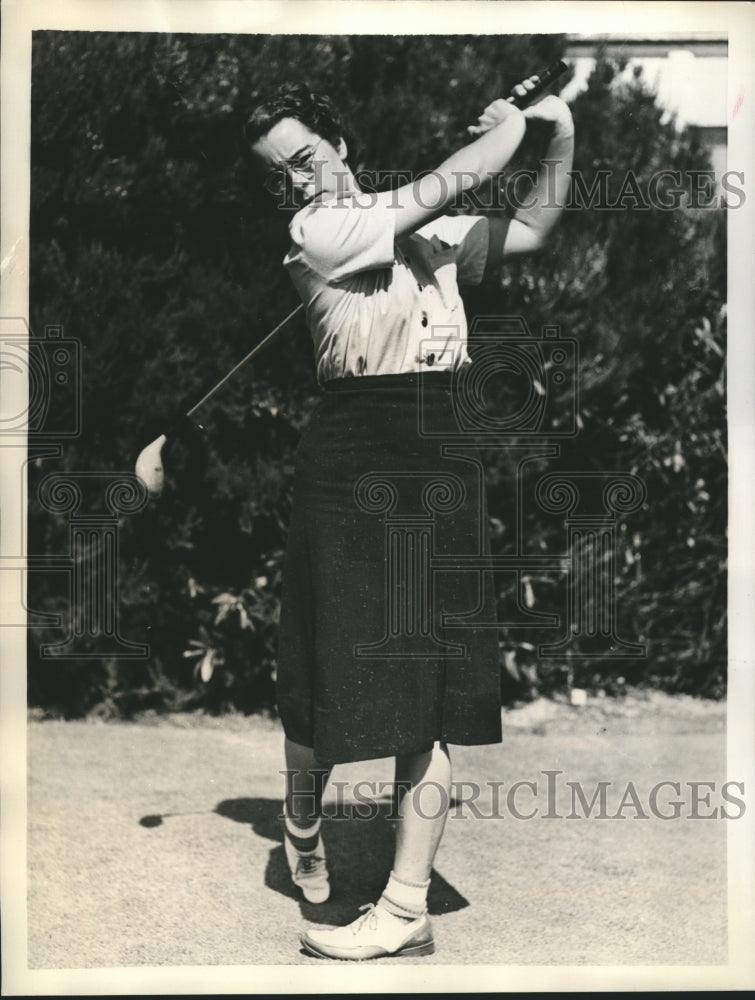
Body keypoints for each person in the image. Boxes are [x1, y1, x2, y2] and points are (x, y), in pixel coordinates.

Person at [242, 75, 574, 961]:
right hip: (349, 455)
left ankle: (404, 905)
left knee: (426, 690)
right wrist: (505, 133)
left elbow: (534, 226)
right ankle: (303, 819)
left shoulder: (415, 225)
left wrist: (557, 132)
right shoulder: (314, 232)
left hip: (438, 449)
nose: (298, 182)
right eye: (280, 174)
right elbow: (458, 174)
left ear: (341, 142)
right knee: (317, 678)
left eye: (306, 157)